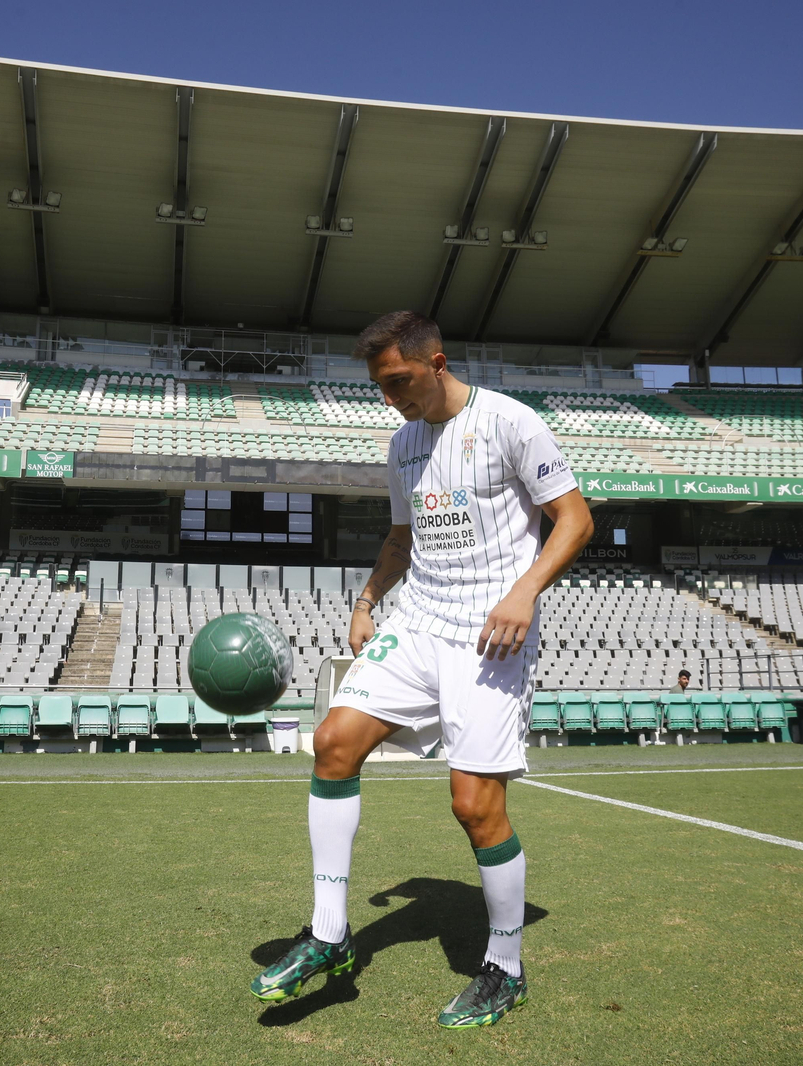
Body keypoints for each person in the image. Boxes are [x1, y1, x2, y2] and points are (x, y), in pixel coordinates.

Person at [249, 310, 593, 1027]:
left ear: (436, 361)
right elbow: (402, 535)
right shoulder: (403, 442)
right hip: (419, 621)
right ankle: (329, 936)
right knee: (333, 742)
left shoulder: (511, 422)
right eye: (380, 386)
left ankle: (504, 967)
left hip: (492, 632)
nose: (390, 396)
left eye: (399, 381)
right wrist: (370, 598)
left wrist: (525, 591)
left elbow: (575, 519)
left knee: (474, 806)